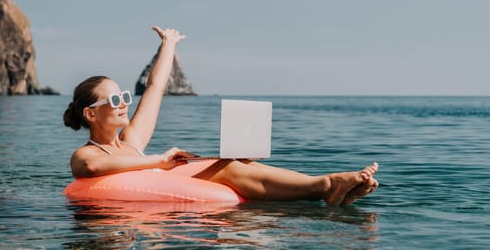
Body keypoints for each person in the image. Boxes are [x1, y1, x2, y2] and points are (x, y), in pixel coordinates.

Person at [63, 26, 379, 205]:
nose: (124, 103)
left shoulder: (131, 140)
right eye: (115, 98)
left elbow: (156, 86)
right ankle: (326, 186)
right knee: (227, 170)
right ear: (90, 113)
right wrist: (159, 162)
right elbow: (93, 167)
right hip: (125, 222)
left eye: (125, 96)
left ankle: (327, 185)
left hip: (159, 189)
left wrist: (169, 44)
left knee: (231, 162)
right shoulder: (85, 154)